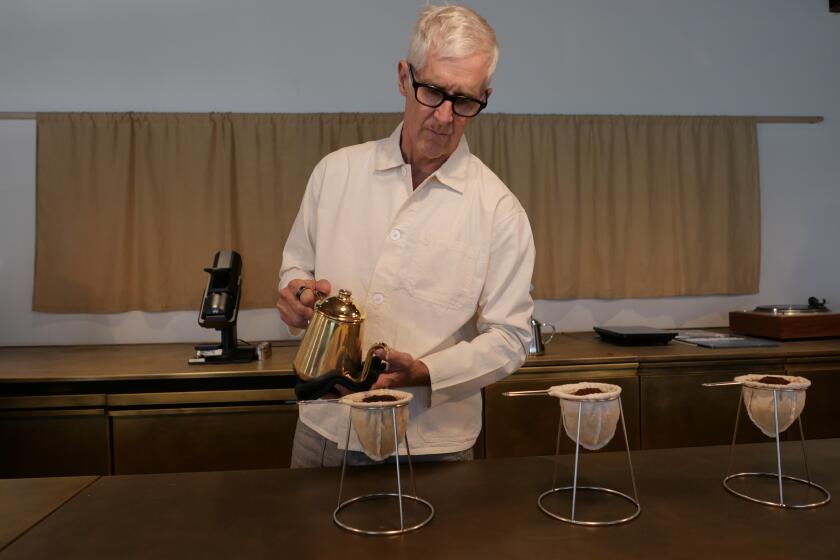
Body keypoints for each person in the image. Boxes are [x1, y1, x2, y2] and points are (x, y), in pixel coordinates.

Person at [277, 4, 535, 468]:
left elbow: (511, 337)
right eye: (432, 91)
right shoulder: (336, 173)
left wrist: (424, 372)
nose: (444, 116)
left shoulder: (499, 210)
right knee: (310, 544)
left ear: (485, 97)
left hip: (430, 446)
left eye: (465, 101)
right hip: (324, 430)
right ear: (403, 77)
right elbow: (298, 267)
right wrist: (297, 294)